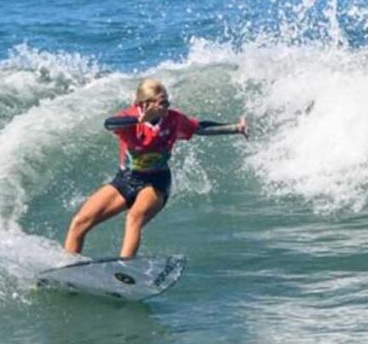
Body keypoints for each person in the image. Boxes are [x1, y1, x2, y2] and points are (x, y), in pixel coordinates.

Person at [63, 78, 248, 259]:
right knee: (80, 221)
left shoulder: (173, 119)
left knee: (134, 218)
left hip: (156, 182)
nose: (167, 106)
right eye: (162, 103)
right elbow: (109, 124)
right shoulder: (129, 118)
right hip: (126, 180)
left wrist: (235, 128)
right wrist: (138, 120)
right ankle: (68, 267)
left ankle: (124, 269)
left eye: (167, 102)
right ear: (145, 104)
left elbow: (199, 127)